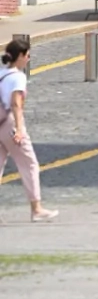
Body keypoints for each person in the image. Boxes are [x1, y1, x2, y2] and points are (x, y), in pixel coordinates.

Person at [0, 38, 56, 222]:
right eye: (28, 55)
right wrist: (18, 129)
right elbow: (16, 103)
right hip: (8, 123)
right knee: (29, 164)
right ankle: (36, 208)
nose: (29, 59)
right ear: (20, 56)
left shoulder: (1, 73)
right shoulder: (18, 77)